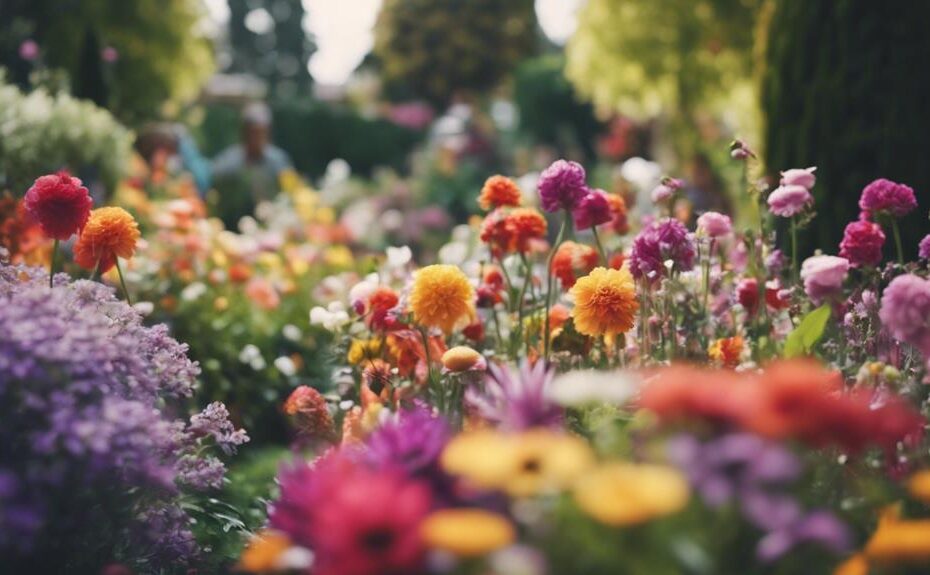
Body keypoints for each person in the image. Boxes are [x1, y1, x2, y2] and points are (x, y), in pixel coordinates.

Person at [211, 102, 292, 228]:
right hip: (231, 228)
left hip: (271, 229)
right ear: (244, 133)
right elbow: (214, 180)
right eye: (253, 133)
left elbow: (289, 191)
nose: (257, 138)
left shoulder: (278, 160)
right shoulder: (229, 161)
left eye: (261, 132)